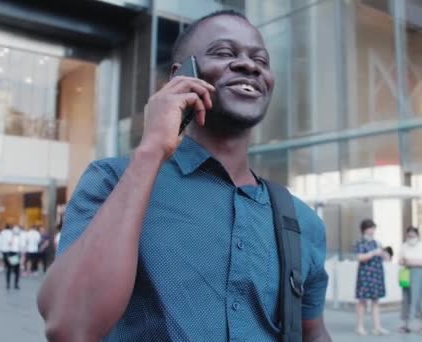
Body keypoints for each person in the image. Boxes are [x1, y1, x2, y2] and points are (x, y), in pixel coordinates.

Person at [37, 10, 330, 342]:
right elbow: (70, 326)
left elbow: (313, 333)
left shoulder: (302, 221)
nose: (250, 65)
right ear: (181, 77)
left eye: (260, 59)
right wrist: (151, 149)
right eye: (224, 52)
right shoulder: (113, 182)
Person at [354, 219, 389, 336]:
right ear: (364, 229)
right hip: (365, 275)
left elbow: (386, 258)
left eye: (374, 228)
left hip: (376, 274)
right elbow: (360, 257)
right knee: (362, 301)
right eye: (371, 228)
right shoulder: (360, 242)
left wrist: (384, 254)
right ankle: (360, 327)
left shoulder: (377, 243)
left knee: (376, 301)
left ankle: (377, 327)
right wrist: (373, 253)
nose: (373, 230)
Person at [399, 226, 422, 336]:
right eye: (409, 236)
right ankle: (405, 325)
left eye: (413, 235)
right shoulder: (404, 246)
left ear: (417, 235)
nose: (411, 237)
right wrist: (405, 261)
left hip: (419, 276)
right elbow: (400, 260)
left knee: (421, 300)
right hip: (406, 275)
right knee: (406, 299)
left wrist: (414, 262)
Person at [0, 225, 23, 290]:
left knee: (16, 270)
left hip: (16, 254)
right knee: (11, 269)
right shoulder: (10, 237)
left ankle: (15, 284)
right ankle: (9, 284)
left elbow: (21, 247)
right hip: (12, 253)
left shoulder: (19, 238)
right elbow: (9, 244)